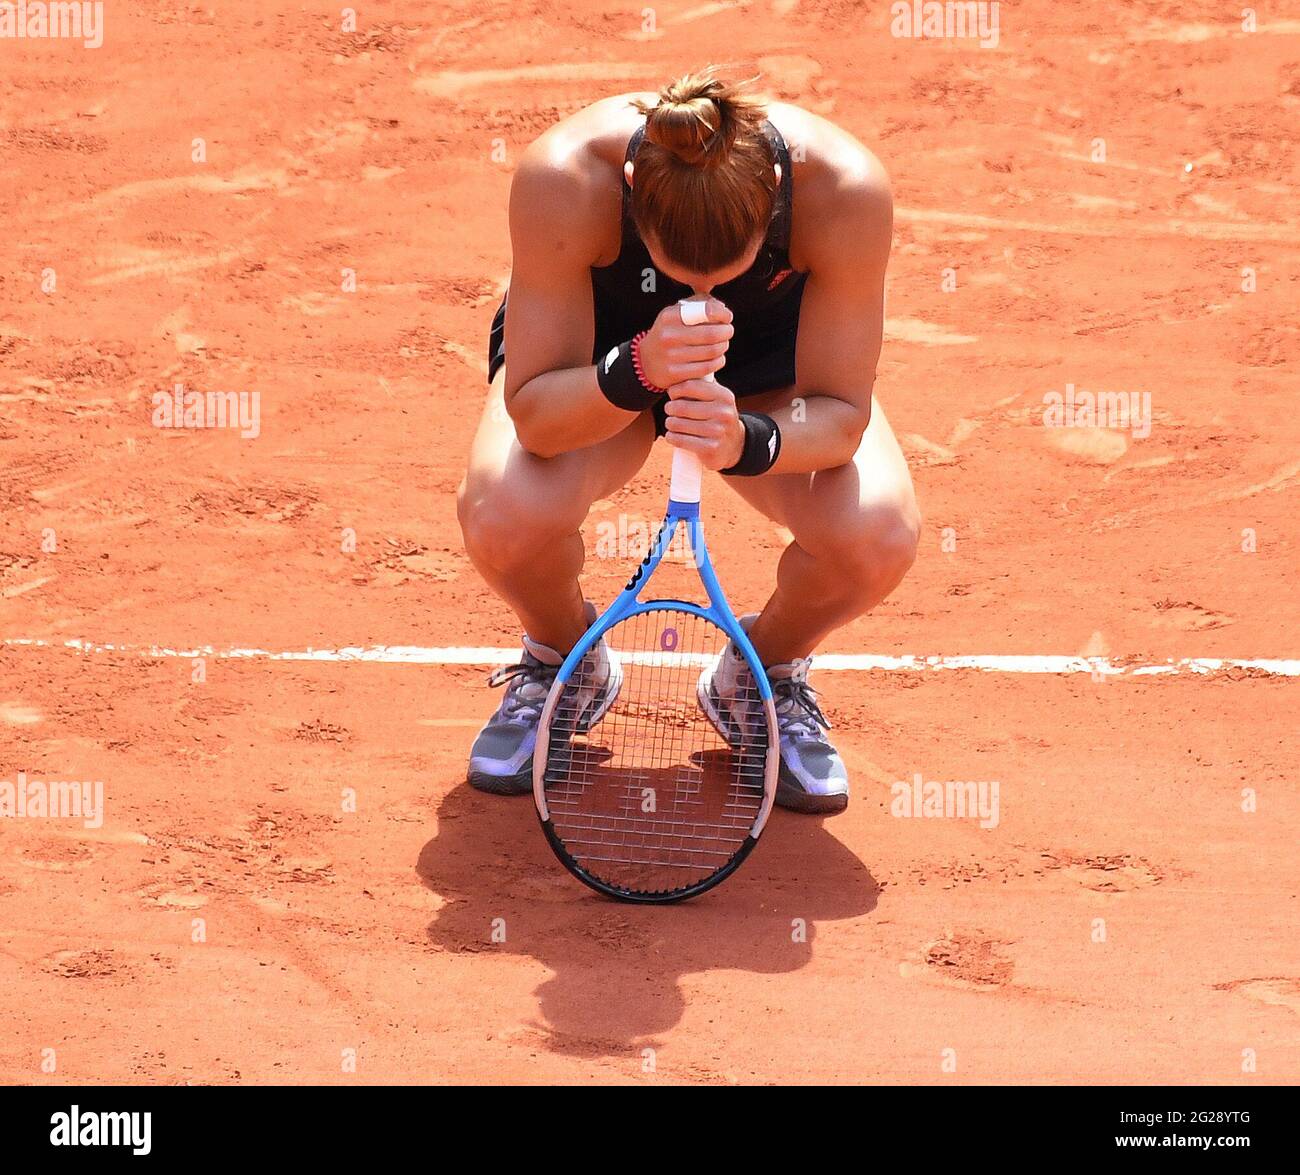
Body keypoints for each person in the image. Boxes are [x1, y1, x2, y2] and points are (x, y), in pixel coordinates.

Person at [457, 68, 919, 814]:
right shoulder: (563, 177)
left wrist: (749, 439)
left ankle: (761, 681)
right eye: (677, 269)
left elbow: (838, 413)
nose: (701, 290)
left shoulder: (846, 191)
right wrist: (639, 365)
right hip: (597, 364)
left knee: (878, 533)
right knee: (504, 511)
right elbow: (538, 414)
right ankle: (561, 659)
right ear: (632, 185)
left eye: (728, 269)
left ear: (774, 188)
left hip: (764, 380)